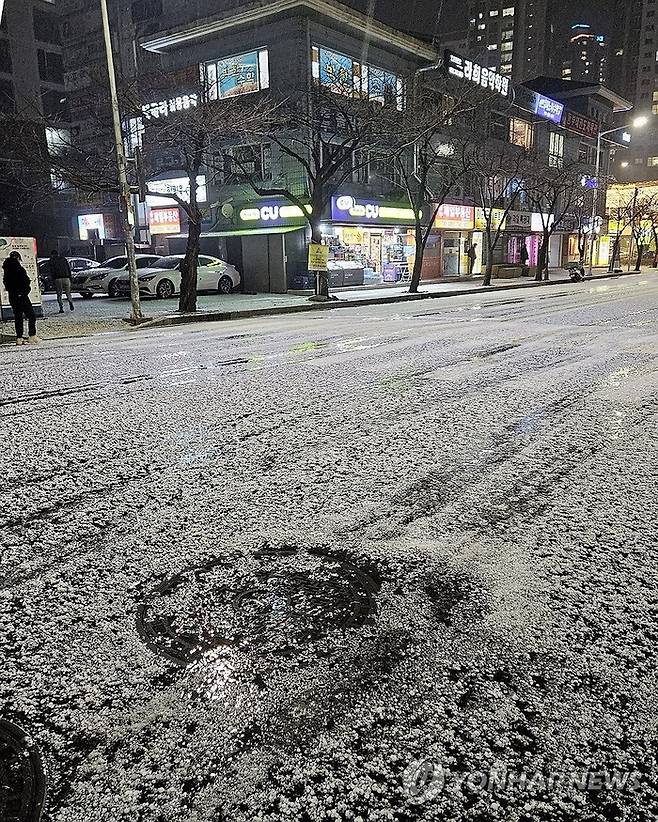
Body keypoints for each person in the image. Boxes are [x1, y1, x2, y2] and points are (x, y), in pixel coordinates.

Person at [2, 251, 38, 345]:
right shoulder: (19, 269)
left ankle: (19, 337)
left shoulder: (7, 270)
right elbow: (25, 281)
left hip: (12, 296)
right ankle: (32, 335)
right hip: (22, 295)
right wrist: (26, 290)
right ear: (18, 258)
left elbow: (6, 283)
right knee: (31, 315)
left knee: (18, 316)